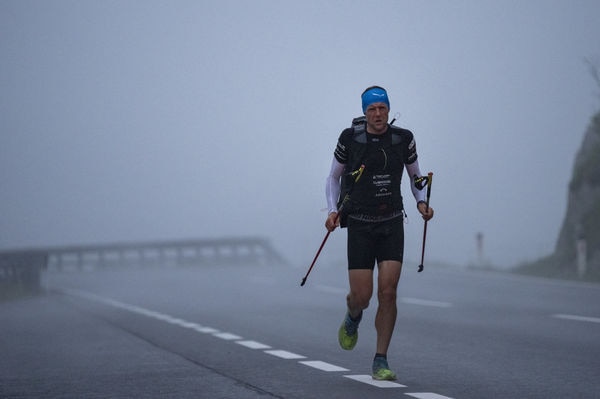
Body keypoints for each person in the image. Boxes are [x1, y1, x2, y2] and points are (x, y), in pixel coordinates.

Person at [324, 86, 434, 381]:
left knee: (388, 292)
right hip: (359, 223)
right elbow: (333, 177)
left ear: (388, 109)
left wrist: (422, 202)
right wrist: (332, 211)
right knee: (362, 296)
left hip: (391, 221)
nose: (377, 114)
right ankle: (353, 315)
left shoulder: (403, 139)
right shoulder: (351, 139)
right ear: (364, 112)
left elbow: (416, 177)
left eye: (382, 108)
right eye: (371, 109)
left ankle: (380, 359)